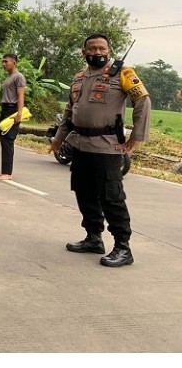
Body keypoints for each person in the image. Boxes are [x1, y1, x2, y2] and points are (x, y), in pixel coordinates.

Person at [51, 33, 151, 267]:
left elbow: (143, 101)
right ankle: (94, 237)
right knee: (84, 192)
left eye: (101, 48)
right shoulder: (79, 78)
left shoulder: (124, 73)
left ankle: (123, 248)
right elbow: (69, 110)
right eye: (92, 49)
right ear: (84, 52)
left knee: (111, 197)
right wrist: (58, 139)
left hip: (107, 147)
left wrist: (136, 136)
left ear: (109, 50)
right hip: (81, 146)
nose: (97, 52)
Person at [0, 53, 26, 181]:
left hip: (13, 109)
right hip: (5, 108)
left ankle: (8, 173)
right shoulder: (8, 77)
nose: (3, 64)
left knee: (8, 139)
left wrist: (19, 112)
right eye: (3, 61)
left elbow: (20, 95)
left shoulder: (19, 77)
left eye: (6, 61)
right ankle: (4, 170)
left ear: (14, 62)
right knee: (3, 138)